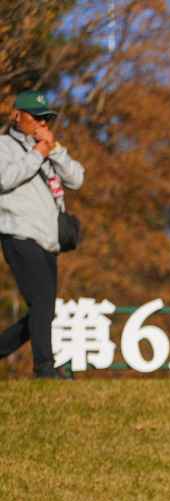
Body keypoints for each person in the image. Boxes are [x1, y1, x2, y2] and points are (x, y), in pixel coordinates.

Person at [0, 91, 84, 378]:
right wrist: (38, 154)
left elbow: (77, 178)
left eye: (45, 118)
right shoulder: (3, 146)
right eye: (35, 117)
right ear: (16, 116)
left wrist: (54, 149)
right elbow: (4, 178)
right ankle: (45, 369)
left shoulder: (48, 149)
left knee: (44, 310)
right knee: (43, 305)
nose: (40, 122)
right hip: (19, 236)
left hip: (49, 241)